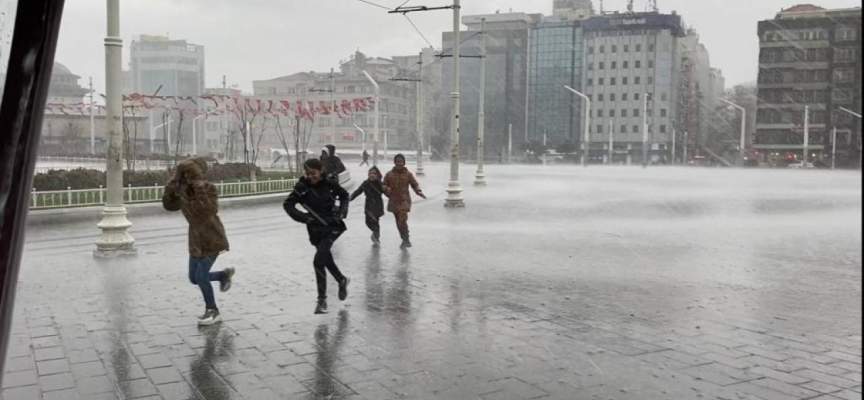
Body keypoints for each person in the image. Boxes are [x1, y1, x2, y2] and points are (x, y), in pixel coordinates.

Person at [162, 157, 235, 326]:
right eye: (184, 174)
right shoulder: (182, 190)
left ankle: (213, 311)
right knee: (194, 278)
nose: (187, 177)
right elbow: (170, 207)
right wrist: (169, 189)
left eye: (191, 173)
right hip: (195, 238)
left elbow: (209, 210)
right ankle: (223, 275)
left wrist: (200, 189)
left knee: (201, 276)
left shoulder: (208, 188)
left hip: (212, 237)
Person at [283, 159, 351, 314]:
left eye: (313, 173)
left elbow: (344, 195)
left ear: (321, 171)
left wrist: (342, 210)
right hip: (315, 228)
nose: (310, 176)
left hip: (332, 226)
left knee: (318, 260)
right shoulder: (302, 188)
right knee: (325, 257)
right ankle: (341, 279)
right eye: (307, 173)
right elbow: (288, 205)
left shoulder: (330, 184)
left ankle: (322, 301)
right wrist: (304, 218)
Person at [382, 153, 426, 249]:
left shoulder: (408, 174)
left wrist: (419, 191)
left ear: (404, 163)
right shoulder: (389, 174)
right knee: (398, 222)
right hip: (394, 200)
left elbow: (415, 184)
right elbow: (383, 184)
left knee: (402, 219)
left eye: (401, 162)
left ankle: (406, 239)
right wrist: (386, 188)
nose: (399, 164)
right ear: (395, 163)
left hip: (404, 200)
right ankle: (403, 239)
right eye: (397, 162)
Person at [350, 166, 385, 245]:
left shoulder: (380, 183)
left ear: (377, 175)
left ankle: (376, 237)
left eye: (374, 173)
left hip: (378, 204)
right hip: (369, 205)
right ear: (368, 174)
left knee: (376, 222)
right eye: (370, 173)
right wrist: (351, 197)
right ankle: (375, 233)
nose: (372, 175)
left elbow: (387, 192)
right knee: (367, 222)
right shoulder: (366, 183)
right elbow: (358, 191)